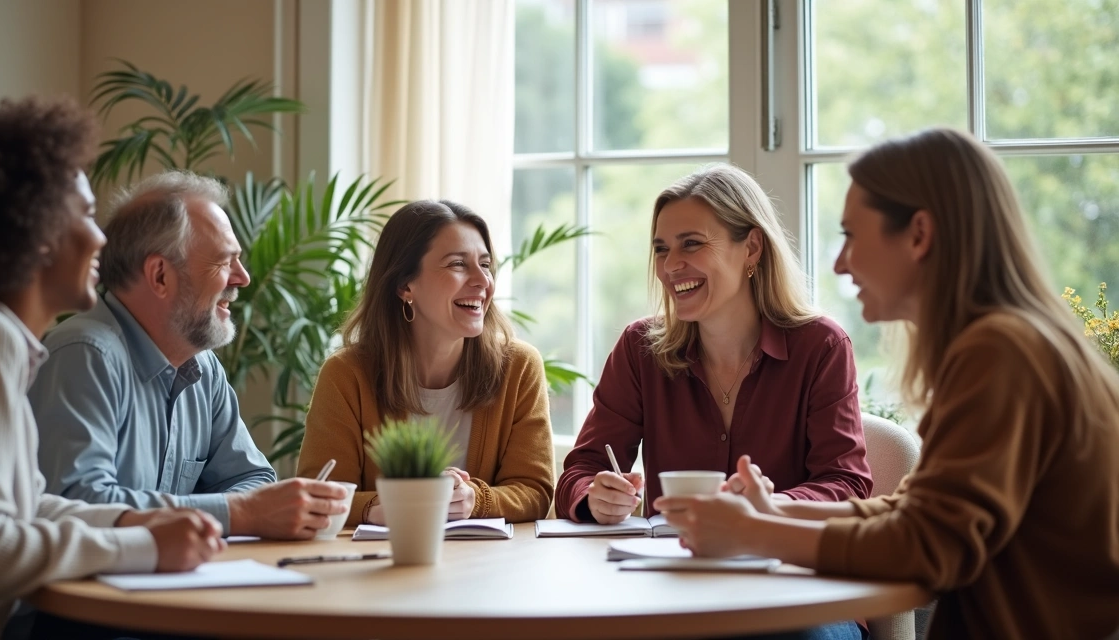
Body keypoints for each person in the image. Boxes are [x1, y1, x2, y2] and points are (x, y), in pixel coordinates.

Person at [657, 129, 1119, 639]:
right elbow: (911, 513)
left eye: (851, 235)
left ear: (919, 235)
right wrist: (774, 510)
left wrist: (753, 531)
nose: (839, 262)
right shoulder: (1012, 342)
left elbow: (927, 546)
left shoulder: (1001, 354)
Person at [0, 98, 223, 640]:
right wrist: (145, 547)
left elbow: (26, 509)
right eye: (82, 213)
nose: (100, 237)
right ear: (33, 226)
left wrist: (132, 520)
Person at [29, 170, 347, 540]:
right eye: (224, 262)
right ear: (161, 276)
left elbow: (253, 478)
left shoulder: (203, 366)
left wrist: (231, 513)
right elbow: (77, 504)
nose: (242, 277)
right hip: (83, 597)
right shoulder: (84, 354)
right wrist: (237, 513)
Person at [557, 165, 872, 527]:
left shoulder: (821, 347)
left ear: (752, 248)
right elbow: (579, 472)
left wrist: (772, 504)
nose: (671, 265)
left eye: (691, 243)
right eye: (662, 249)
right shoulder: (639, 348)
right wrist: (594, 495)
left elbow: (847, 483)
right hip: (665, 574)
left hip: (781, 567)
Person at [298, 199, 554, 526]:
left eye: (486, 264)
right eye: (458, 264)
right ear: (405, 285)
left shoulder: (519, 367)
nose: (482, 281)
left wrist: (475, 499)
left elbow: (536, 491)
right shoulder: (346, 375)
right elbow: (321, 494)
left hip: (488, 566)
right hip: (379, 566)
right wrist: (398, 504)